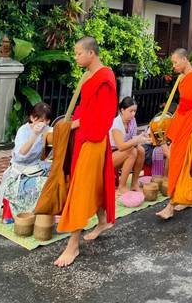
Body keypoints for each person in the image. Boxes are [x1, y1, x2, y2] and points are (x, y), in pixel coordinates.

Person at [54, 37, 117, 268]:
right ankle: (102, 220)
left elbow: (104, 115)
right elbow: (85, 107)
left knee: (81, 188)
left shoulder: (105, 77)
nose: (76, 57)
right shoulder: (88, 75)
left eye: (78, 53)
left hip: (94, 137)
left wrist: (74, 125)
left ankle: (73, 244)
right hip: (84, 136)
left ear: (91, 53)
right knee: (93, 182)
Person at [157, 48, 192, 220]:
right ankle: (186, 197)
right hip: (182, 120)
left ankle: (170, 206)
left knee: (179, 162)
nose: (173, 66)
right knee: (183, 162)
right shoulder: (182, 79)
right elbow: (182, 105)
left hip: (191, 124)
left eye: (175, 62)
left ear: (185, 59)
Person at [0, 103, 52, 218]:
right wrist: (34, 135)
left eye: (45, 120)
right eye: (39, 119)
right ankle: (33, 214)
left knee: (59, 179)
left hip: (39, 170)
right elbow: (21, 155)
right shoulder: (23, 131)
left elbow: (49, 155)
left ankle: (48, 213)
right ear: (32, 118)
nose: (42, 123)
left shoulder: (48, 131)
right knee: (45, 185)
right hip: (20, 176)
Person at [110, 97, 150, 195]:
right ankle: (121, 187)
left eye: (134, 111)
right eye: (130, 111)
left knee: (140, 150)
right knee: (132, 152)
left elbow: (133, 139)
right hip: (110, 156)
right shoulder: (116, 123)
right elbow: (121, 146)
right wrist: (136, 140)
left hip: (122, 153)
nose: (133, 114)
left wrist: (143, 138)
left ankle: (134, 184)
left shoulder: (132, 121)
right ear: (122, 110)